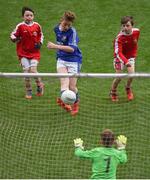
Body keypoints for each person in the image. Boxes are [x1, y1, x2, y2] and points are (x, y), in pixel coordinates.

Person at [47, 11, 82, 116]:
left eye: (69, 25)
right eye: (65, 24)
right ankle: (65, 102)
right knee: (64, 83)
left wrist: (55, 46)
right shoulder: (56, 28)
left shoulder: (72, 32)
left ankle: (75, 103)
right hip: (61, 59)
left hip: (74, 60)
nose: (66, 27)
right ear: (61, 20)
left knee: (72, 87)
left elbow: (71, 49)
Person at [10, 6, 44, 99]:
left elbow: (41, 35)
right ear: (23, 17)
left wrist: (40, 43)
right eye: (27, 15)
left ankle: (39, 85)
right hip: (23, 53)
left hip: (34, 53)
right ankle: (28, 90)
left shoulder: (37, 26)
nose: (29, 17)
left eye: (31, 15)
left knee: (33, 70)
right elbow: (12, 34)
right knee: (26, 72)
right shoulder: (20, 26)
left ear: (33, 16)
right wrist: (14, 39)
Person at [110, 16, 140, 102]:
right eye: (123, 25)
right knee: (118, 77)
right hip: (119, 58)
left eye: (127, 25)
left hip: (130, 57)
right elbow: (118, 53)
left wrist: (133, 55)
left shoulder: (137, 32)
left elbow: (134, 43)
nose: (125, 28)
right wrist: (126, 62)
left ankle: (128, 88)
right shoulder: (119, 38)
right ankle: (113, 92)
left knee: (132, 74)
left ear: (132, 26)